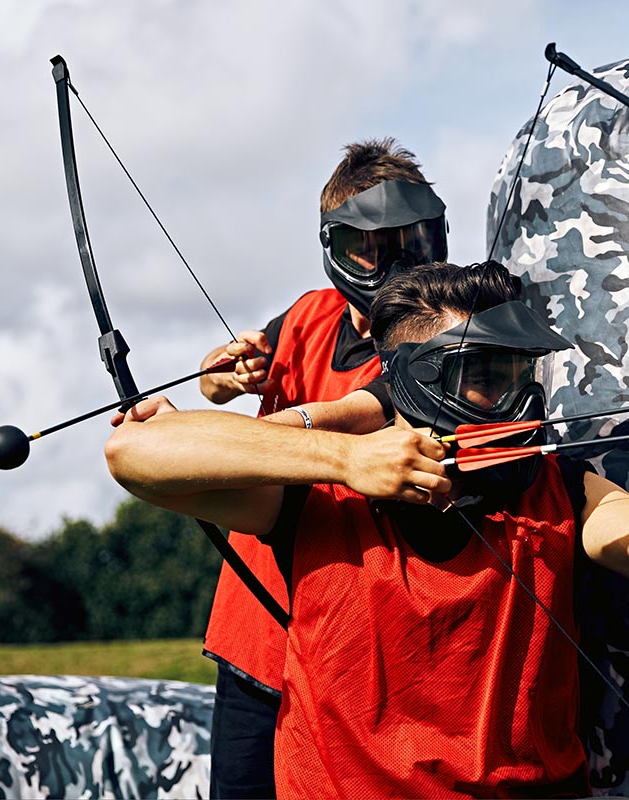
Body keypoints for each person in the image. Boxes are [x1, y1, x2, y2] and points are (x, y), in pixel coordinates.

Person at [106, 261, 629, 798]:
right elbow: (136, 452)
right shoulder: (317, 494)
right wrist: (347, 461)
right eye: (485, 375)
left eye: (520, 372)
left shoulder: (554, 487)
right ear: (420, 379)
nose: (514, 397)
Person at [195, 139, 449, 798]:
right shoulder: (307, 315)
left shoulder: (445, 340)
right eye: (373, 246)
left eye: (411, 240)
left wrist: (208, 443)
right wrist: (222, 380)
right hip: (255, 635)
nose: (394, 262)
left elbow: (368, 411)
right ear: (339, 246)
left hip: (348, 651)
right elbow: (217, 387)